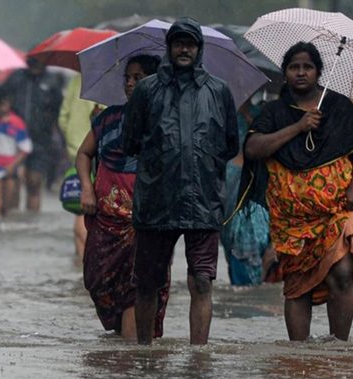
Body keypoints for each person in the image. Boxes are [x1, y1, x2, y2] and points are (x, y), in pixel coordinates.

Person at [122, 17, 239, 345]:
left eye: (190, 43)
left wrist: (205, 165)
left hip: (203, 202)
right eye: (178, 43)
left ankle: (198, 357)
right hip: (156, 202)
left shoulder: (218, 90)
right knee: (147, 283)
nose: (184, 48)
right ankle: (144, 352)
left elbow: (231, 144)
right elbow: (128, 141)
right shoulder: (147, 90)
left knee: (202, 281)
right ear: (169, 48)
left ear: (199, 49)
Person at [243, 42, 353, 341]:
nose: (301, 73)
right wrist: (298, 127)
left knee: (343, 273)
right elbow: (253, 149)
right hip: (291, 223)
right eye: (294, 67)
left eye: (307, 67)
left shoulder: (341, 107)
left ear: (318, 72)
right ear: (285, 73)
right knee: (296, 288)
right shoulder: (275, 112)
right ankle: (298, 357)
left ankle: (338, 349)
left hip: (335, 212)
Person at [76, 54, 166, 340]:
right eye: (127, 77)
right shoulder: (109, 117)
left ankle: (131, 361)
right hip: (105, 219)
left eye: (137, 78)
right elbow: (83, 154)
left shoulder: (166, 122)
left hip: (146, 219)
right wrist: (87, 188)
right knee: (97, 280)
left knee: (136, 287)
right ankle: (124, 346)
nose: (129, 83)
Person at [221, 97, 276, 286]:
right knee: (229, 235)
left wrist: (248, 115)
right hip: (229, 176)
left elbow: (265, 143)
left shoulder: (264, 113)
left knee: (247, 234)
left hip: (253, 179)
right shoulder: (224, 112)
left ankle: (255, 285)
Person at [4, 57, 63, 212]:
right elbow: (3, 101)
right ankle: (12, 221)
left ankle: (32, 221)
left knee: (34, 181)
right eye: (32, 62)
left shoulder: (52, 82)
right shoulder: (16, 78)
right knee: (12, 178)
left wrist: (60, 137)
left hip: (41, 139)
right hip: (14, 138)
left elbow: (59, 112)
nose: (35, 66)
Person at [58, 74, 104, 262]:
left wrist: (72, 139)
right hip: (106, 153)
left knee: (82, 207)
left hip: (77, 149)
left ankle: (81, 262)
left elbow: (62, 117)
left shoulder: (77, 79)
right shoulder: (118, 80)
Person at [0, 86, 32, 220]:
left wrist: (13, 165)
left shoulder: (17, 123)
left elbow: (25, 149)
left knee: (7, 208)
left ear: (9, 103)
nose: (1, 107)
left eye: (4, 103)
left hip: (9, 168)